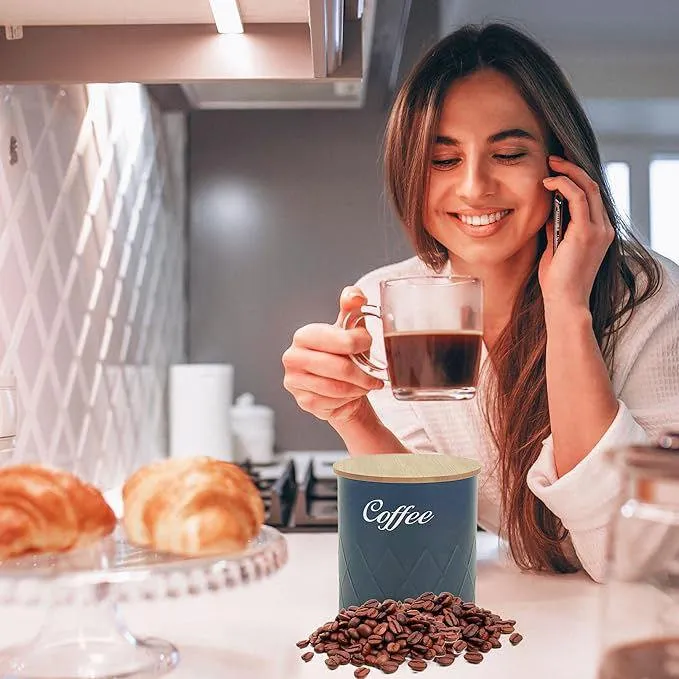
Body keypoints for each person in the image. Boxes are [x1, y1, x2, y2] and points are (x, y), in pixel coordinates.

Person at [281, 22, 679, 582]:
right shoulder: (388, 300)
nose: (474, 187)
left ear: (560, 164)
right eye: (444, 160)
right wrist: (352, 414)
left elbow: (634, 554)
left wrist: (567, 309)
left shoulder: (653, 299)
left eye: (509, 153)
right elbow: (426, 539)